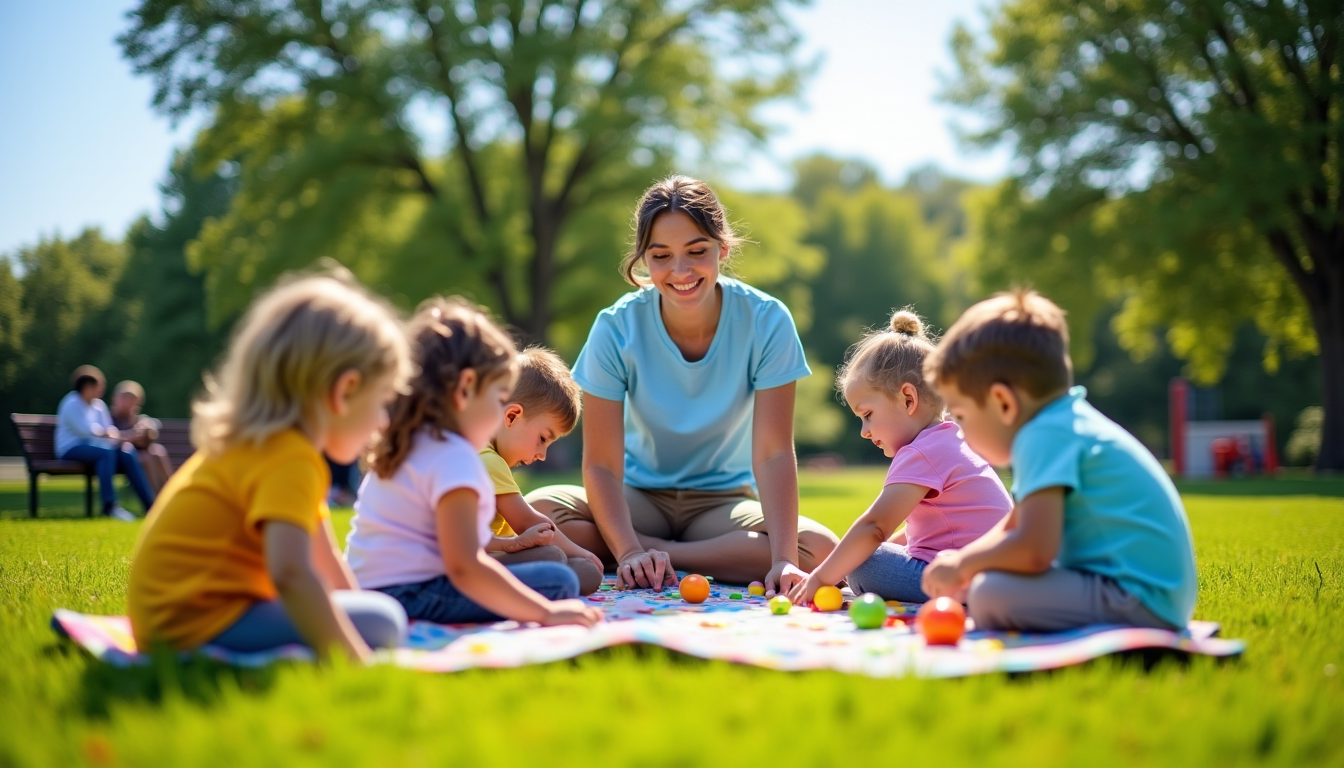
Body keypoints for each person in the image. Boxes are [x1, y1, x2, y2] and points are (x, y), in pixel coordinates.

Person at [527, 176, 839, 592]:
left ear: (722, 249)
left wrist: (782, 560)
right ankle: (645, 551)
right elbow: (601, 465)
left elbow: (773, 452)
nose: (680, 271)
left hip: (722, 503)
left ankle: (660, 554)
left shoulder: (767, 320)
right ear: (643, 259)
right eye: (661, 256)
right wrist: (628, 549)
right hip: (638, 497)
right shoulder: (615, 327)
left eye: (697, 251)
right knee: (540, 509)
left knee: (817, 549)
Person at [127, 273, 411, 661]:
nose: (382, 421)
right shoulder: (290, 457)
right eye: (381, 401)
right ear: (343, 391)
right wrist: (354, 656)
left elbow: (325, 560)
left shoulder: (265, 445)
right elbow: (292, 574)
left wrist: (353, 611)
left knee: (371, 615)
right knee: (384, 621)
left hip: (167, 623)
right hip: (196, 627)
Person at [920, 290, 1198, 632]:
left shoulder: (1043, 437)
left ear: (1003, 402)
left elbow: (1034, 549)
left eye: (961, 416)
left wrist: (964, 564)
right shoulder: (1060, 424)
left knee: (990, 594)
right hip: (1152, 597)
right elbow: (1015, 525)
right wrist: (968, 560)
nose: (960, 432)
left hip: (1136, 599)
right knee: (986, 579)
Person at [345, 299, 602, 628]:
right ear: (466, 389)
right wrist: (545, 613)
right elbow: (465, 566)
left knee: (551, 573)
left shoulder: (408, 442)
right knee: (557, 581)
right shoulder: (456, 458)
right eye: (497, 399)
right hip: (409, 592)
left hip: (366, 586)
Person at [787, 310, 1012, 606]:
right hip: (999, 569)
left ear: (908, 399)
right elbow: (915, 533)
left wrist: (820, 577)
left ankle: (967, 593)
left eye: (867, 415)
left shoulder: (920, 452)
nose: (864, 432)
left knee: (863, 563)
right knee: (858, 553)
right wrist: (838, 565)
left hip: (970, 574)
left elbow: (875, 527)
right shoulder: (950, 439)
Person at [480, 347, 605, 595]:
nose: (541, 454)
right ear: (512, 416)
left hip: (491, 554)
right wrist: (580, 551)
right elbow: (526, 521)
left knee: (578, 569)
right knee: (554, 557)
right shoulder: (487, 460)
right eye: (542, 438)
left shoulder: (483, 454)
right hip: (476, 560)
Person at [56, 366, 156, 521]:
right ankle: (110, 507)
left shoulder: (98, 405)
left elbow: (109, 429)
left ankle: (150, 506)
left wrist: (117, 438)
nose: (102, 390)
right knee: (106, 452)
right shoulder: (71, 403)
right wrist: (108, 434)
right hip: (71, 449)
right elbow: (85, 431)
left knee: (127, 452)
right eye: (100, 386)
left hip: (97, 448)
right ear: (88, 387)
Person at [109, 380, 174, 493]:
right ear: (115, 398)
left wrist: (146, 432)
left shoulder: (139, 420)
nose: (128, 403)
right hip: (121, 456)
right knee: (145, 458)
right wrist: (130, 437)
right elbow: (111, 437)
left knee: (158, 451)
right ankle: (152, 499)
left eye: (132, 400)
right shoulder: (108, 418)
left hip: (140, 453)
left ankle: (171, 492)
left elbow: (153, 429)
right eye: (125, 398)